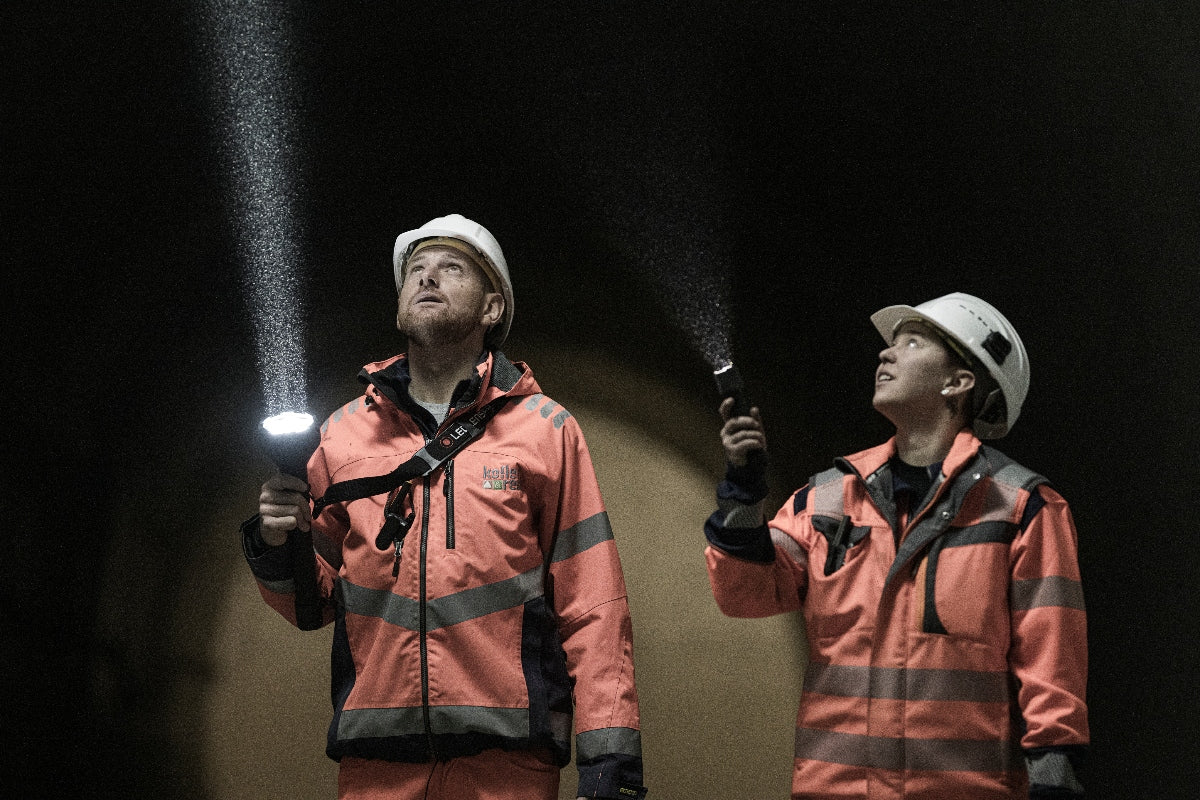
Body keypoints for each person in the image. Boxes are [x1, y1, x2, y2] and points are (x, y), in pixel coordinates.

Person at [242, 214, 647, 800]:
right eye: (416, 270)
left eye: (451, 268)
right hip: (376, 768)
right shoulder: (341, 436)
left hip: (507, 766)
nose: (427, 278)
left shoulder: (545, 430)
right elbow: (311, 604)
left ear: (491, 310)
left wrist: (611, 768)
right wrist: (277, 542)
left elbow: (596, 609)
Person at [705, 293, 1088, 799]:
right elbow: (744, 594)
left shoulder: (1022, 509)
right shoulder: (826, 500)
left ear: (958, 382)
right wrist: (743, 492)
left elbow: (1052, 669)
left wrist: (1054, 782)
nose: (886, 354)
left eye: (912, 342)